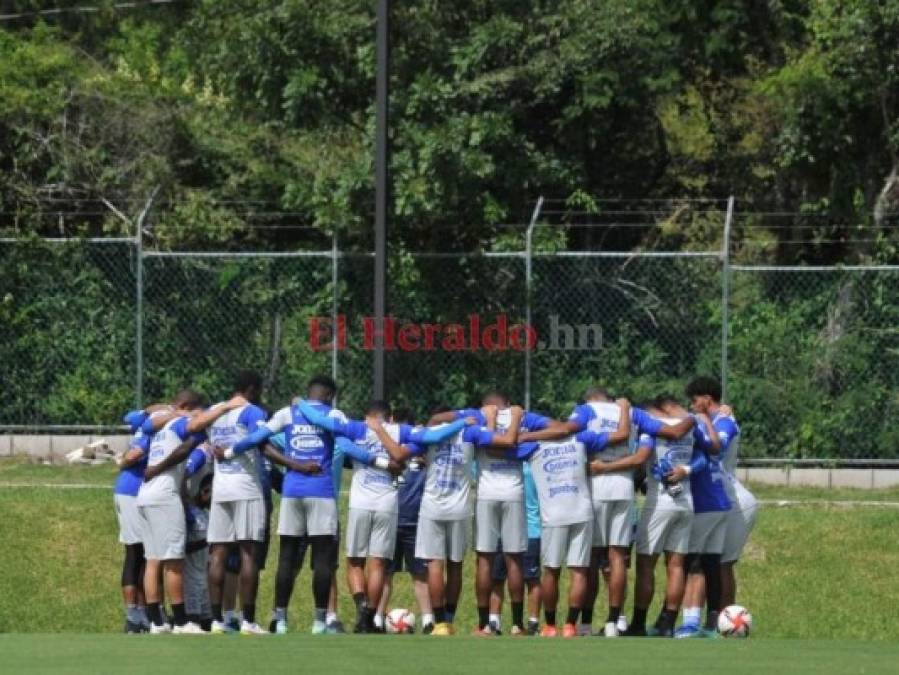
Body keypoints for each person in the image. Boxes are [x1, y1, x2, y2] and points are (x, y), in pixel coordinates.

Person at [227, 375, 372, 634]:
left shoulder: (287, 413)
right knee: (323, 559)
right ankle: (319, 621)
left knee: (286, 557)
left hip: (292, 491)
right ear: (328, 395)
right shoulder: (335, 415)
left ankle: (280, 619)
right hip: (322, 491)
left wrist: (229, 451)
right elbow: (348, 446)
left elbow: (259, 438)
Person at [372, 405, 523, 636]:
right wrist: (504, 419)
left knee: (434, 564)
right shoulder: (471, 432)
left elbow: (400, 454)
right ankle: (450, 620)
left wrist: (382, 434)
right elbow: (500, 441)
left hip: (432, 507)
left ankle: (439, 623)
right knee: (455, 566)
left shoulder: (429, 435)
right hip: (459, 508)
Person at [511, 404, 631, 637]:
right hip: (582, 511)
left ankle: (549, 625)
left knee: (552, 571)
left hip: (554, 514)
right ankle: (570, 626)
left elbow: (504, 444)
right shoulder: (581, 438)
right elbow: (621, 434)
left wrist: (520, 430)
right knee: (579, 571)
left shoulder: (532, 445)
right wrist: (625, 409)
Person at [185, 371, 269, 635]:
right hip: (246, 488)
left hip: (221, 490)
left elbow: (194, 426)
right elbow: (259, 440)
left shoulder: (216, 411)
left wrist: (222, 408)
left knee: (218, 553)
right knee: (248, 553)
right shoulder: (252, 411)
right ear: (252, 390)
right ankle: (248, 621)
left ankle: (216, 620)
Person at [624, 398, 715, 637]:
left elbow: (642, 456)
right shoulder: (691, 425)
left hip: (659, 503)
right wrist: (686, 470)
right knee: (676, 565)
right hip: (686, 502)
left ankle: (638, 623)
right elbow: (705, 455)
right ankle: (667, 625)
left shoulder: (651, 427)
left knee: (646, 564)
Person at [135, 389, 208, 634]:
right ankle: (181, 622)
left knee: (152, 559)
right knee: (174, 560)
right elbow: (184, 450)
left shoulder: (160, 430)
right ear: (190, 407)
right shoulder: (183, 423)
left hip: (145, 495)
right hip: (165, 496)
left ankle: (156, 622)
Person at [686, 377, 758, 609]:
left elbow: (718, 447)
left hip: (733, 499)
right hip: (721, 497)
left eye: (694, 400)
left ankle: (723, 620)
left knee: (719, 564)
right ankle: (713, 621)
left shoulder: (725, 421)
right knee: (713, 564)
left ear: (707, 399)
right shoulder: (706, 418)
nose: (691, 405)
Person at [377, 407, 434, 634]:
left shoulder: (421, 448)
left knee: (417, 574)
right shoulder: (385, 448)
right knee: (393, 573)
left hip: (409, 520)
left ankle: (429, 620)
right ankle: (379, 618)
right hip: (395, 518)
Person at [488, 457, 543, 636]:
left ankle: (498, 621)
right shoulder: (536, 466)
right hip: (527, 529)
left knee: (502, 578)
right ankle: (521, 623)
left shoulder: (504, 466)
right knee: (527, 579)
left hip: (526, 528)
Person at [114, 424, 152, 633]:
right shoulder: (152, 430)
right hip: (132, 492)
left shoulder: (149, 425)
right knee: (137, 553)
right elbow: (132, 456)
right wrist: (122, 463)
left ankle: (140, 613)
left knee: (143, 555)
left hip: (133, 492)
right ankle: (134, 616)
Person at [185, 472, 214, 630]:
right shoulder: (189, 514)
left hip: (205, 581)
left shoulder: (207, 514)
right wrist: (206, 542)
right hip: (191, 582)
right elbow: (182, 548)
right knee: (193, 624)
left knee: (208, 623)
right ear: (205, 491)